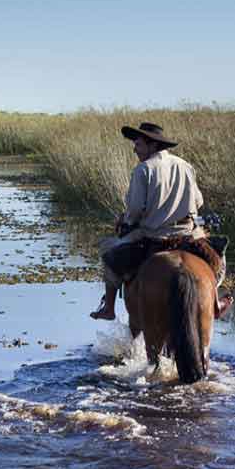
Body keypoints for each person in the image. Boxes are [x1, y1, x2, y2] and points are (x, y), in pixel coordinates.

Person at [91, 121, 210, 320]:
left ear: (153, 145)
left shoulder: (143, 169)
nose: (134, 149)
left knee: (108, 252)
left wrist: (126, 220)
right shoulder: (185, 165)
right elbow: (198, 200)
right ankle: (214, 304)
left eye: (138, 144)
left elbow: (136, 209)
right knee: (217, 259)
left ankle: (108, 308)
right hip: (187, 234)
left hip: (154, 234)